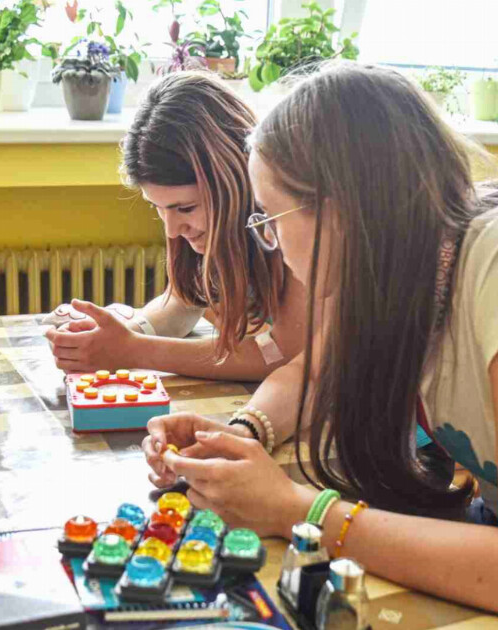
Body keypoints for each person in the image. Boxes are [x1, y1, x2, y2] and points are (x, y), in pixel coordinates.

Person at [144, 61, 498, 628]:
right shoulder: (397, 262)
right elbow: (313, 373)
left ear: (342, 207)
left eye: (271, 217)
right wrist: (241, 434)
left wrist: (298, 509)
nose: (269, 240)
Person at [44, 73, 310, 455]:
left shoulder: (292, 229)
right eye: (159, 209)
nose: (171, 230)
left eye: (185, 208)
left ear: (232, 182)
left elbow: (277, 355)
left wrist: (133, 349)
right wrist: (122, 332)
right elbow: (183, 303)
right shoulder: (204, 232)